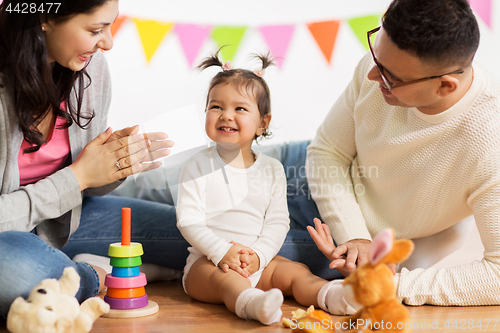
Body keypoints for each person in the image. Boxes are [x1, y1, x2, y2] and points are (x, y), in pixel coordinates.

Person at [306, 0, 500, 306]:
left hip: (372, 245)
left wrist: (391, 285)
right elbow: (327, 151)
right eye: (375, 55)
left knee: (236, 253)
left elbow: (498, 276)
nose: (371, 75)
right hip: (325, 186)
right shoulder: (386, 64)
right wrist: (355, 236)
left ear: (445, 86)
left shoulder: (490, 143)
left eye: (390, 77)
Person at [0, 0, 181, 318]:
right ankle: (92, 276)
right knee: (11, 273)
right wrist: (78, 176)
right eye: (95, 29)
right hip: (7, 240)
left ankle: (60, 272)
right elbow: (75, 182)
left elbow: (87, 190)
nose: (108, 43)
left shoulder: (90, 68)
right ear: (44, 17)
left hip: (67, 223)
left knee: (204, 231)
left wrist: (113, 165)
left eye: (110, 25)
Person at [175, 51, 356, 325]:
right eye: (216, 107)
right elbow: (188, 220)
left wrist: (259, 256)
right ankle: (252, 304)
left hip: (258, 261)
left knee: (296, 271)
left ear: (263, 123)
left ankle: (332, 295)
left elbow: (277, 222)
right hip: (208, 263)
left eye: (240, 108)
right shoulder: (197, 165)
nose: (226, 115)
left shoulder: (272, 169)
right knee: (227, 280)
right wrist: (222, 251)